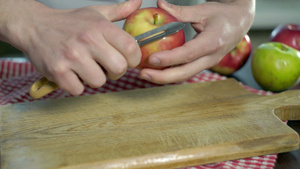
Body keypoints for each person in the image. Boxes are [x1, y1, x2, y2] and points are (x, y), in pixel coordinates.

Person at [0, 0, 255, 96]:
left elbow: (236, 3)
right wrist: (30, 22)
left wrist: (239, 7)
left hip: (176, 87)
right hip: (49, 69)